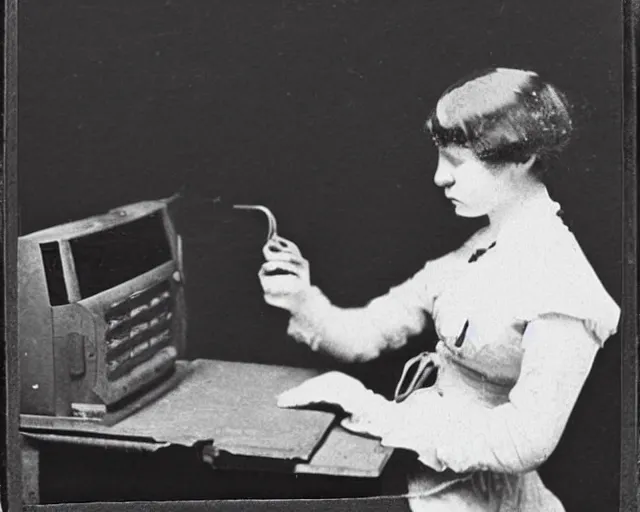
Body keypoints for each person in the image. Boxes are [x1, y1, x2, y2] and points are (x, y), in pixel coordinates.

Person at [257, 68, 620, 511]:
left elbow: (526, 442)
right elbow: (365, 334)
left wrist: (375, 411)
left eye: (456, 162)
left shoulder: (564, 284)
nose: (438, 178)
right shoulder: (480, 249)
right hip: (423, 483)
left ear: (520, 159)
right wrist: (302, 296)